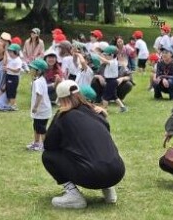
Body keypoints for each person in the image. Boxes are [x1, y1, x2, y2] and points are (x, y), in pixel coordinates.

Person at [41, 81, 126, 209]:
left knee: (48, 156)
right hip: (118, 172)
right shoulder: (96, 112)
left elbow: (49, 145)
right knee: (97, 149)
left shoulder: (62, 116)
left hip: (92, 175)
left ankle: (73, 196)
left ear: (61, 99)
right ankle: (108, 190)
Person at [27, 59, 52, 151]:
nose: (30, 70)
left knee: (41, 128)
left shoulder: (38, 82)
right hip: (42, 110)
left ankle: (45, 145)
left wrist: (35, 107)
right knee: (36, 126)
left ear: (39, 71)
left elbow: (39, 95)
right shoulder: (39, 80)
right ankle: (36, 142)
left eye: (32, 69)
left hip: (41, 110)